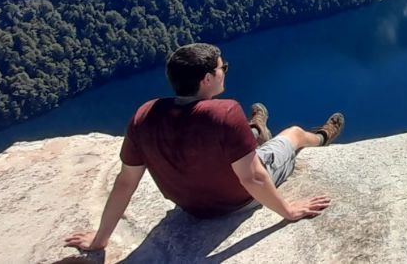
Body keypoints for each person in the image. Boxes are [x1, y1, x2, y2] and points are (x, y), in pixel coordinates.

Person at [64, 43, 346, 252]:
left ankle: (256, 129)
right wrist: (289, 212)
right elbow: (254, 177)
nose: (225, 72)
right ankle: (321, 137)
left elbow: (125, 183)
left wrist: (100, 241)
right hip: (238, 200)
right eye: (223, 68)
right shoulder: (224, 113)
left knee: (241, 137)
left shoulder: (144, 116)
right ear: (207, 80)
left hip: (192, 207)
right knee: (294, 134)